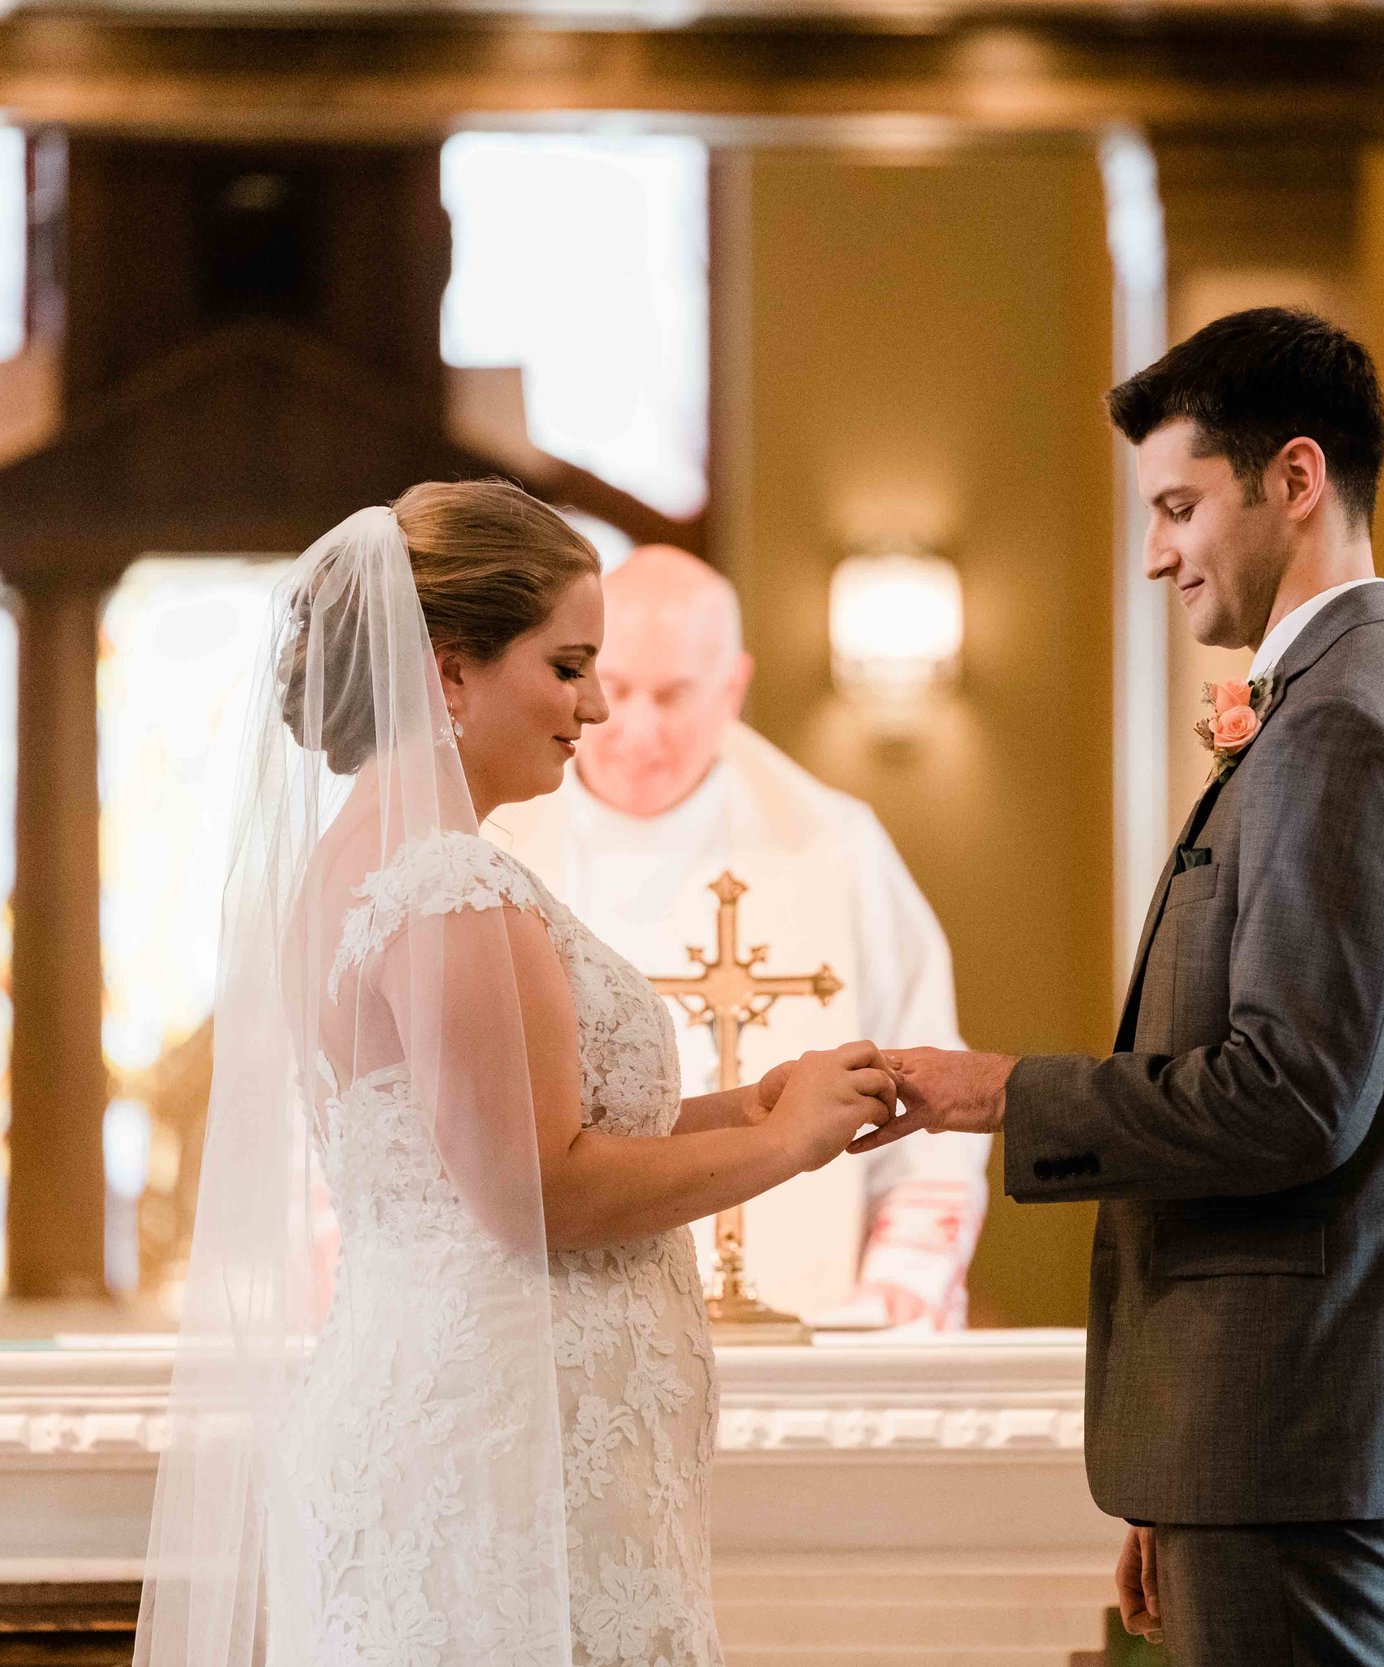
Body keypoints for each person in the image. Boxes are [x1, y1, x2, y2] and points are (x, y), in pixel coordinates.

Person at [860, 309, 1384, 1665]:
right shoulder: (1343, 703)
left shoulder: (1345, 726)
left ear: (1294, 481)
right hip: (1264, 1432)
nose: (1157, 551)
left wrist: (1002, 1091)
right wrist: (1183, 1472)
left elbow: (1292, 1098)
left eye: (1179, 506)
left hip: (1295, 1417)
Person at [135, 480, 901, 1667]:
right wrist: (780, 1146)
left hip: (475, 1423)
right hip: (495, 1461)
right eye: (567, 665)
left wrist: (736, 1105)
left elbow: (487, 1139)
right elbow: (539, 1189)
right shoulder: (447, 886)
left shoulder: (377, 864)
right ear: (448, 671)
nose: (594, 705)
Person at [495, 545, 987, 1327]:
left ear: (731, 689)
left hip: (808, 1324)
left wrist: (898, 1289)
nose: (638, 729)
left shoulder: (834, 844)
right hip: (549, 1322)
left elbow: (920, 1076)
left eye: (675, 695)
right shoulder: (499, 842)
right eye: (616, 688)